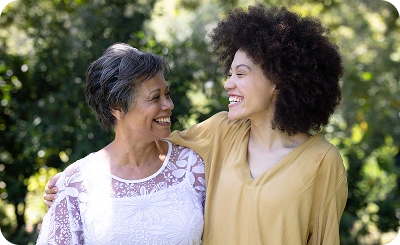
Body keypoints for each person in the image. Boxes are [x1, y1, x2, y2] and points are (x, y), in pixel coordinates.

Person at [44, 4, 348, 244]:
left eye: (240, 74)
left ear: (280, 80)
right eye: (229, 74)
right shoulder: (220, 132)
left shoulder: (322, 162)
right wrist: (77, 180)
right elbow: (141, 140)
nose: (228, 84)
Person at [37, 43, 206, 244]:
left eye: (167, 94)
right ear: (116, 107)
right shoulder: (75, 184)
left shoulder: (193, 166)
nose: (169, 105)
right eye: (155, 97)